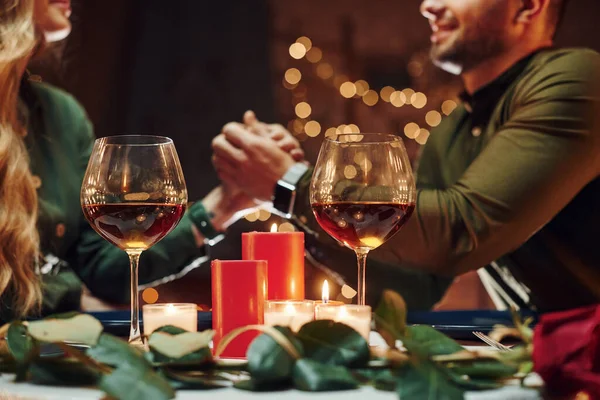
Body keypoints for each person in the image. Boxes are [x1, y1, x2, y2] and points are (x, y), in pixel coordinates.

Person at [212, 0, 600, 313]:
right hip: (544, 359)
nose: (428, 6)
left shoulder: (579, 77)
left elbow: (461, 229)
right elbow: (417, 288)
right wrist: (296, 206)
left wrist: (290, 184)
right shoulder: (452, 131)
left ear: (528, 7)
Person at [0, 0, 302, 322]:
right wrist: (75, 301)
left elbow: (105, 269)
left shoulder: (62, 115)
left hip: (48, 354)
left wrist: (224, 204)